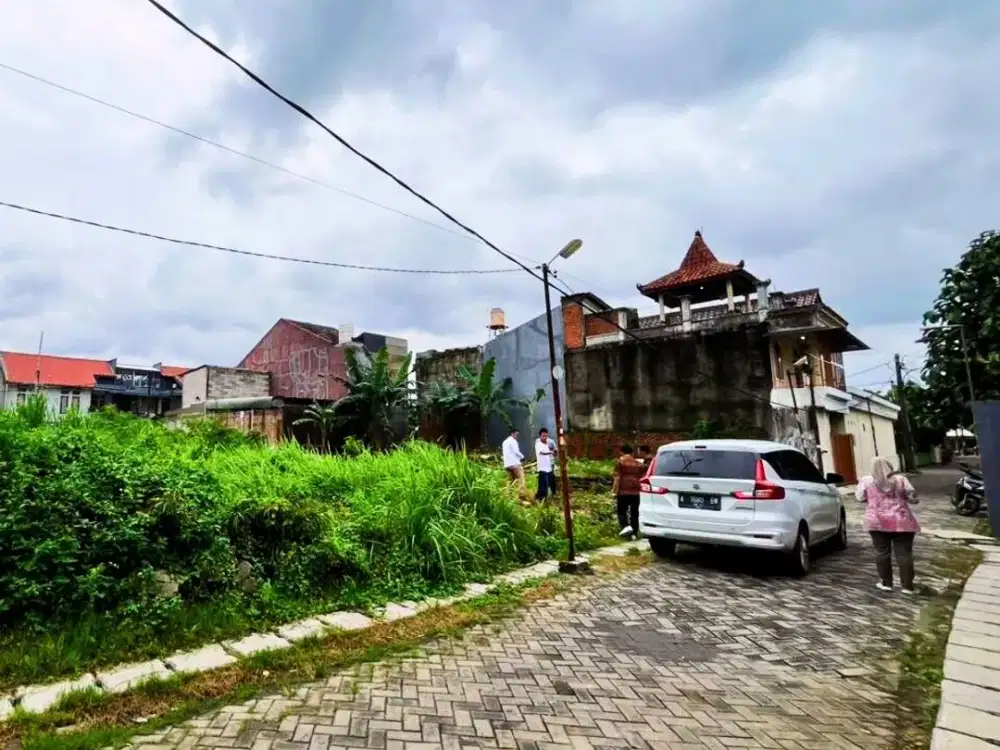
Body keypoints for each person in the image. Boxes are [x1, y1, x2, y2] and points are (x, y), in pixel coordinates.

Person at [858, 456, 920, 593]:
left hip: (877, 522)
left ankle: (886, 583)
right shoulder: (901, 480)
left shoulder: (867, 481)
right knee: (904, 555)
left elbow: (860, 497)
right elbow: (913, 498)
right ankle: (907, 586)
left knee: (881, 552)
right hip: (902, 522)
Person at [612, 444, 646, 539]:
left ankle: (626, 527)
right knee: (634, 513)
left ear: (621, 452)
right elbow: (642, 477)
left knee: (621, 511)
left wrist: (614, 491)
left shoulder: (619, 463)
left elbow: (617, 478)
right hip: (636, 492)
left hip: (623, 491)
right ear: (632, 453)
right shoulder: (638, 464)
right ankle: (634, 533)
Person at [534, 428, 557, 500]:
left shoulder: (548, 444)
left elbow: (554, 452)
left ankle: (553, 495)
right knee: (543, 484)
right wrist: (550, 452)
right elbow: (542, 453)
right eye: (543, 436)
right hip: (542, 468)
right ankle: (540, 498)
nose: (545, 437)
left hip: (548, 468)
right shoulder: (538, 444)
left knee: (552, 481)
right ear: (540, 436)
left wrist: (554, 453)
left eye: (546, 436)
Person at [502, 428, 525, 492]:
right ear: (512, 434)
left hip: (507, 464)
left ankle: (508, 495)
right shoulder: (513, 441)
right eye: (516, 434)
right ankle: (522, 494)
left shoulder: (504, 442)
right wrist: (522, 457)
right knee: (521, 478)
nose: (517, 436)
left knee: (510, 480)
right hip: (514, 464)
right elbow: (516, 452)